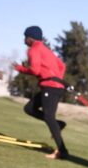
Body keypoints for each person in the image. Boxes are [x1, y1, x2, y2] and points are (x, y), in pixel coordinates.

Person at [13, 26, 69, 160]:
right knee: (29, 108)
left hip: (51, 88)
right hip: (53, 87)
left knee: (49, 117)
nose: (24, 40)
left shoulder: (33, 50)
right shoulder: (45, 49)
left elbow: (35, 70)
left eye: (25, 37)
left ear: (30, 38)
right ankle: (59, 124)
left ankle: (62, 151)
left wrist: (21, 68)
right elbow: (62, 66)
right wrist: (57, 78)